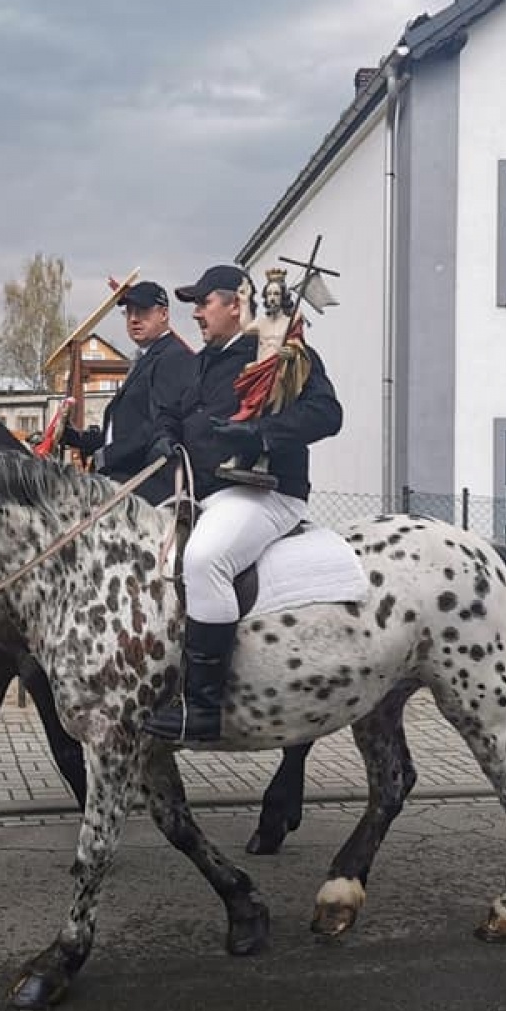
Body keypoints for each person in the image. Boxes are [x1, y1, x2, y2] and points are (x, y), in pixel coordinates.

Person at [145, 263, 343, 743]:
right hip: (205, 491)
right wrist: (165, 436)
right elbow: (171, 413)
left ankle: (204, 708)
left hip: (265, 491)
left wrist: (259, 433)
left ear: (237, 303)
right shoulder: (203, 361)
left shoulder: (284, 349)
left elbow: (327, 414)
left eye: (202, 302)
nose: (194, 313)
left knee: (206, 558)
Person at [59, 280, 193, 505]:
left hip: (146, 482)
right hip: (124, 476)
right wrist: (75, 438)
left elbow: (158, 427)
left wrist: (106, 457)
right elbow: (121, 432)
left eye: (142, 311)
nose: (134, 319)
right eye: (129, 312)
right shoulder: (145, 358)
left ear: (164, 314)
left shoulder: (173, 358)